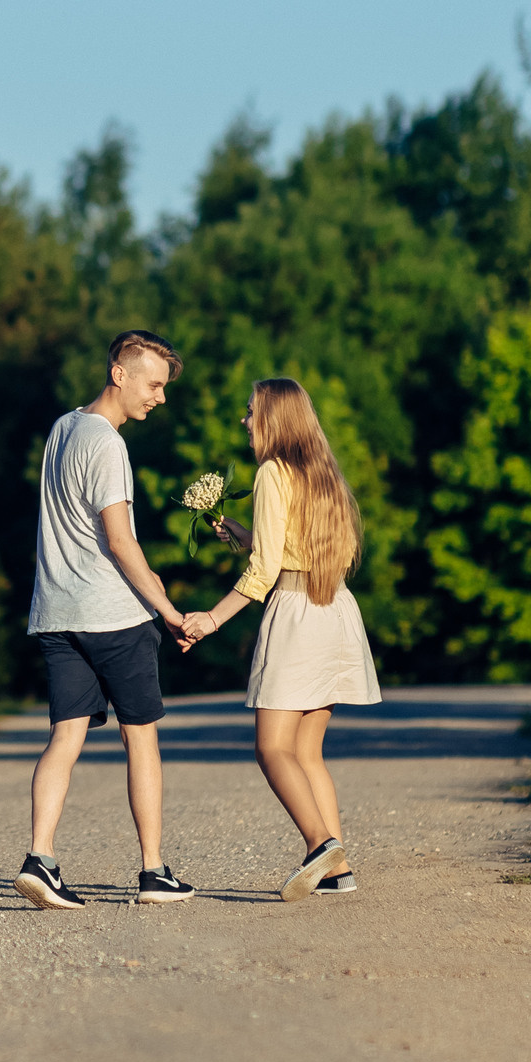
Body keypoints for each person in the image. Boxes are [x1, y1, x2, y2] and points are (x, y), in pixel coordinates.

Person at [14, 330, 200, 910]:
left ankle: (39, 858)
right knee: (139, 738)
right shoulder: (108, 444)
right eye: (154, 385)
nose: (160, 398)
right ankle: (153, 872)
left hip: (57, 612)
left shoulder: (63, 428)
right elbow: (119, 541)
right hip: (112, 616)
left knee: (65, 737)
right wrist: (168, 611)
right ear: (120, 373)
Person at [177, 377, 380, 902]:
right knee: (307, 752)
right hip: (334, 609)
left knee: (271, 748)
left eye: (251, 411)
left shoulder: (270, 472)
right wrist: (243, 535)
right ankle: (339, 871)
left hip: (296, 615)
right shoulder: (323, 473)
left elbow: (265, 572)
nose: (245, 421)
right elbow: (294, 550)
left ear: (274, 417)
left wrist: (212, 619)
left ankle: (320, 846)